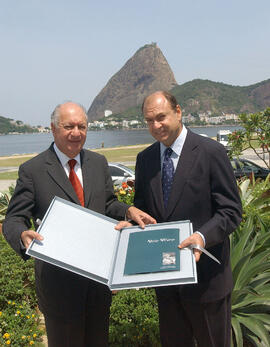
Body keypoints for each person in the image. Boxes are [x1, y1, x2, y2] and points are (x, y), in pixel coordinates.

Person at [2, 101, 156, 347]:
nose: (76, 132)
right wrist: (22, 235)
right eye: (68, 126)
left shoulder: (98, 163)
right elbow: (13, 219)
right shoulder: (33, 170)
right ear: (53, 129)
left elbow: (108, 204)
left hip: (98, 284)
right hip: (58, 287)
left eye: (81, 126)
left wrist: (128, 210)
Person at [133, 91, 242, 347]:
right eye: (149, 120)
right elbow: (142, 208)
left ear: (178, 112)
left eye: (161, 117)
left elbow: (231, 210)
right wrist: (133, 220)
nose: (156, 125)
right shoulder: (145, 159)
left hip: (208, 282)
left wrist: (203, 236)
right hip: (167, 283)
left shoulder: (211, 151)